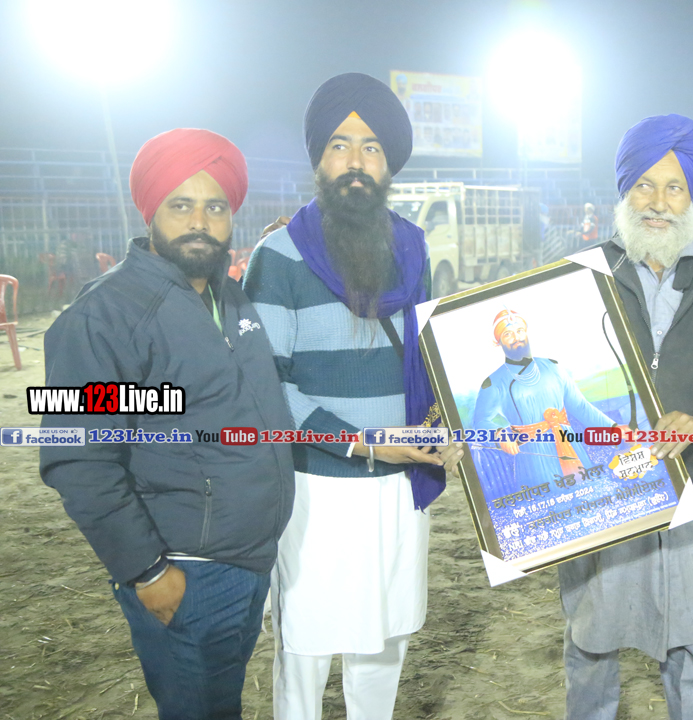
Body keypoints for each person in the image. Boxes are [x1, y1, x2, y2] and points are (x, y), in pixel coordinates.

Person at [39, 129, 296, 720]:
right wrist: (147, 570)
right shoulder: (105, 316)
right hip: (185, 573)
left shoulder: (231, 299)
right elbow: (78, 456)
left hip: (250, 561)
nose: (200, 221)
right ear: (151, 211)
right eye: (181, 205)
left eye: (215, 207)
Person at [242, 72, 464, 720]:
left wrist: (444, 426)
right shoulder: (278, 256)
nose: (356, 161)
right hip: (316, 491)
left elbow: (427, 362)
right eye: (340, 145)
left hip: (399, 490)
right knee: (306, 651)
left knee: (383, 645)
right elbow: (266, 390)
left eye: (371, 147)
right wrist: (365, 443)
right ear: (319, 159)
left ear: (389, 163)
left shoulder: (412, 249)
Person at [557, 114, 693, 720]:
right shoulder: (581, 274)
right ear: (624, 191)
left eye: (674, 187)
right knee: (591, 644)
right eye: (644, 185)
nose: (658, 202)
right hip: (602, 493)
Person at [472, 308, 618, 497]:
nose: (516, 337)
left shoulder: (553, 367)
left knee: (590, 498)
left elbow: (581, 407)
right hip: (533, 460)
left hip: (571, 448)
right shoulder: (493, 383)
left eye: (519, 330)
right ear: (497, 342)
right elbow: (480, 422)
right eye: (507, 334)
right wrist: (499, 434)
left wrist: (615, 429)